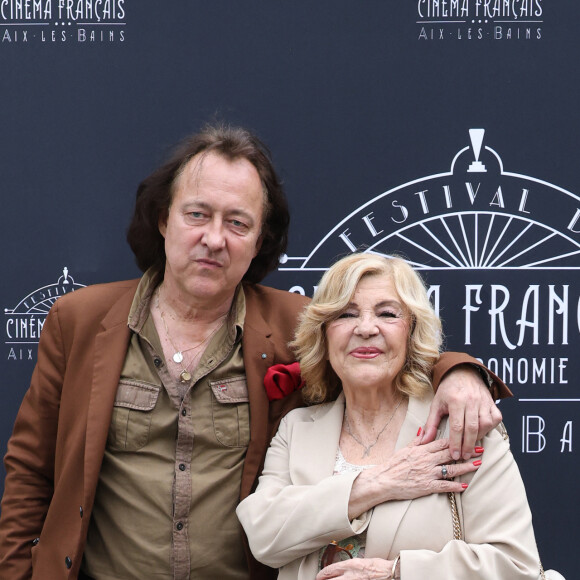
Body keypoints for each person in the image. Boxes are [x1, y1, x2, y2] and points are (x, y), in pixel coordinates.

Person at [0, 124, 508, 580]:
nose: (214, 239)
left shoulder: (293, 324)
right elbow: (30, 469)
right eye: (197, 214)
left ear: (259, 238)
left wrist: (459, 374)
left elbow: (381, 346)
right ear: (163, 219)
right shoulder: (80, 320)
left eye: (237, 223)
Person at [237, 252, 543, 579]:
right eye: (346, 314)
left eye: (387, 313)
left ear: (411, 333)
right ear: (323, 335)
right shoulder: (296, 428)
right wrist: (376, 484)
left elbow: (516, 567)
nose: (366, 328)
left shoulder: (460, 425)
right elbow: (264, 538)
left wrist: (395, 574)